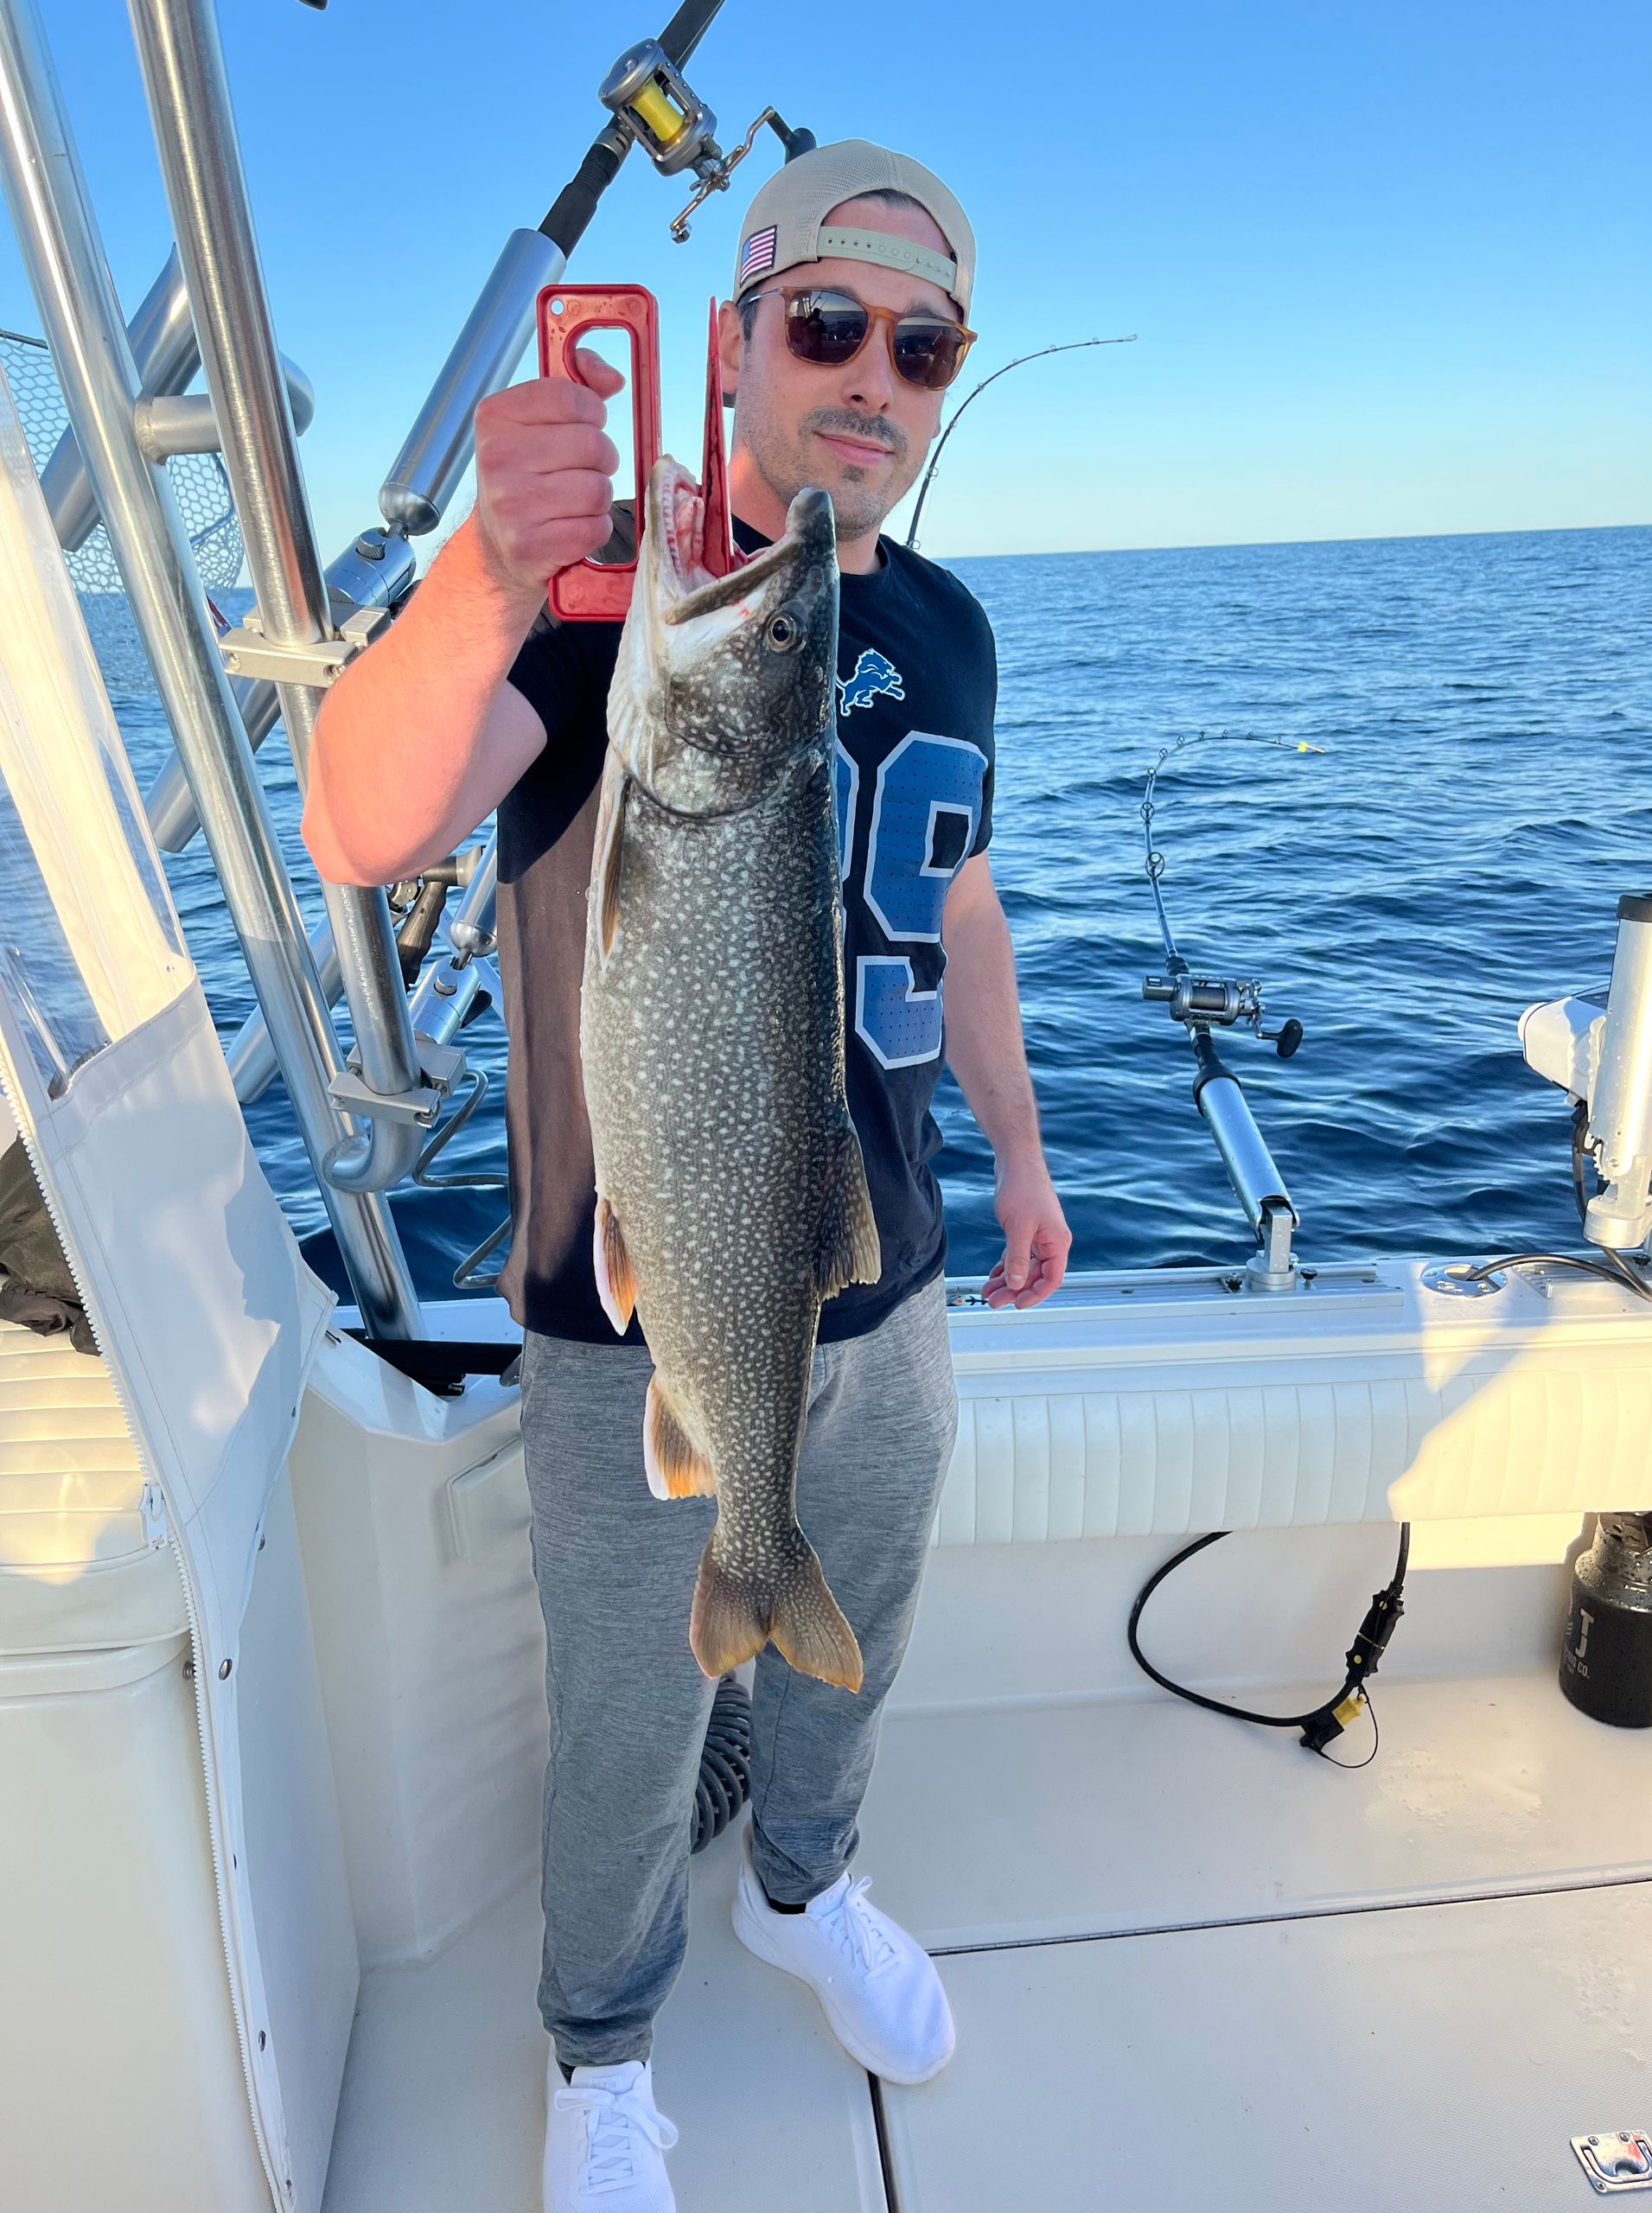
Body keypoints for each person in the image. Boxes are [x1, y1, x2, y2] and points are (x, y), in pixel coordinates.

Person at [303, 137, 1070, 2213]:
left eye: (920, 345)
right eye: (825, 323)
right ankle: (601, 2046)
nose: (873, 378)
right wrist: (483, 573)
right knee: (635, 1722)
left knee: (857, 1637)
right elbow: (359, 829)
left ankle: (807, 1890)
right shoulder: (601, 598)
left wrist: (1018, 1149)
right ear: (733, 341)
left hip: (888, 1270)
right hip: (627, 1299)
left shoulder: (953, 627)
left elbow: (967, 897)